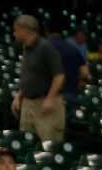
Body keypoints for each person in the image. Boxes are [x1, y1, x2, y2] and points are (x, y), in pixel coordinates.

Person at [11, 14, 67, 144]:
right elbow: (30, 75)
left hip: (45, 104)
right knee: (26, 142)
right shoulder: (26, 47)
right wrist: (20, 95)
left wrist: (50, 98)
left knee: (48, 145)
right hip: (28, 103)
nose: (14, 33)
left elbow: (59, 75)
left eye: (16, 30)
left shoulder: (46, 47)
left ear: (25, 30)